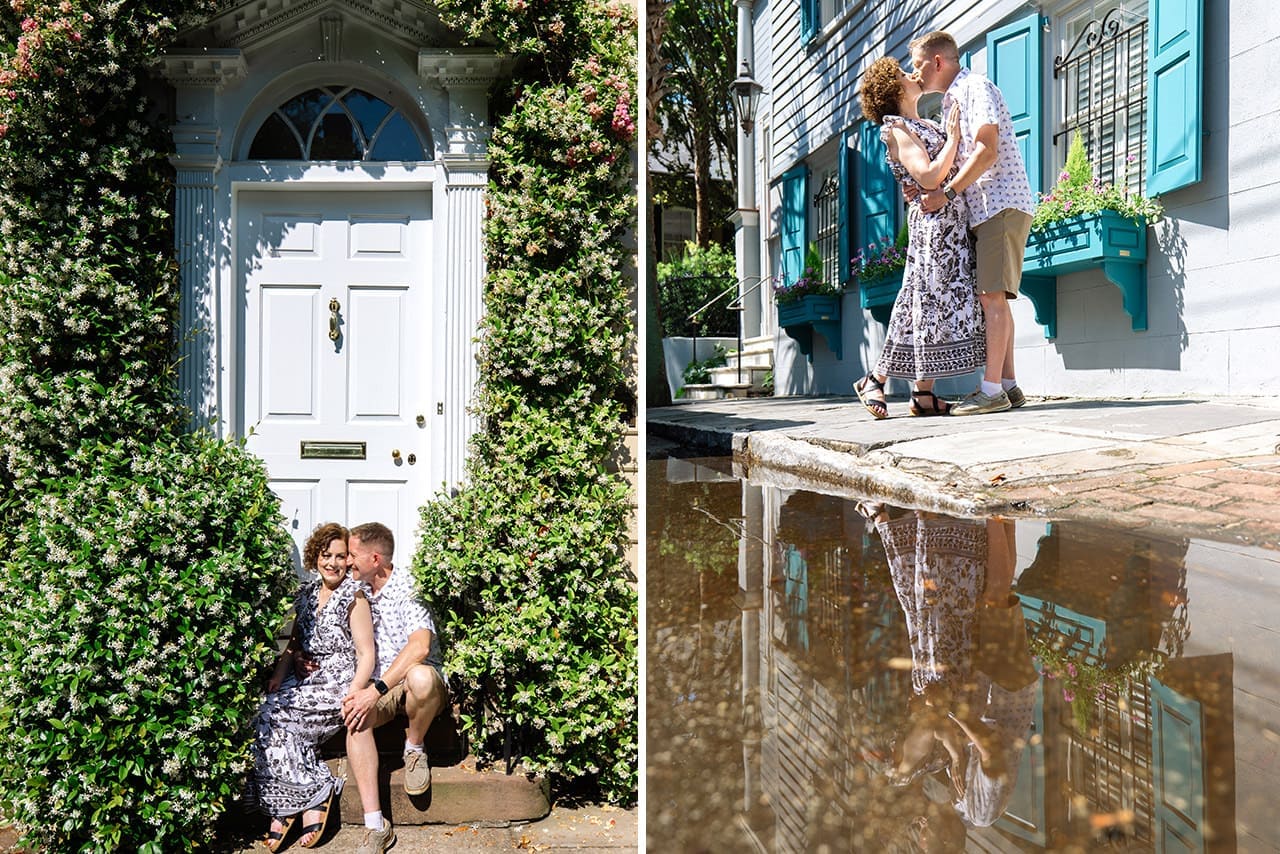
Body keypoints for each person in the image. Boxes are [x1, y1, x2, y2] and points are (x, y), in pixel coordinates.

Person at [853, 56, 986, 419]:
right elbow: (928, 177)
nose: (912, 74)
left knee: (929, 301)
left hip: (951, 221)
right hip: (933, 225)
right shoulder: (895, 128)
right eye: (901, 73)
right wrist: (955, 136)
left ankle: (922, 394)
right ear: (892, 89)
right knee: (923, 298)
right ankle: (875, 378)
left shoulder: (922, 123)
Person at [911, 30, 1037, 415]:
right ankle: (1009, 386)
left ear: (937, 62)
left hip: (998, 203)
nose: (914, 74)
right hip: (989, 208)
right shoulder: (954, 98)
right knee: (997, 298)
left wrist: (946, 193)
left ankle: (991, 390)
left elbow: (986, 149)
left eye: (917, 65)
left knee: (991, 299)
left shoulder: (975, 88)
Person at [250, 522, 375, 852]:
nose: (333, 563)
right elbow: (293, 644)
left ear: (349, 560)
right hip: (303, 679)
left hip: (336, 683)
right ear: (314, 557)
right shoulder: (305, 594)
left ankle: (305, 800)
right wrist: (279, 673)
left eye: (340, 556)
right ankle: (294, 802)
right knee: (262, 714)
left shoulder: (354, 596)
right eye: (326, 555)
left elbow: (366, 653)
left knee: (280, 719)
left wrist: (356, 690)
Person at [340, 522, 448, 854]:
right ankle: (376, 827)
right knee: (355, 718)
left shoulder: (407, 588)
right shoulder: (355, 588)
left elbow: (420, 648)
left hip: (413, 684)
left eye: (353, 556)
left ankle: (414, 748)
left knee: (420, 676)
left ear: (375, 558)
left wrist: (377, 689)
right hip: (380, 686)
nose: (346, 563)